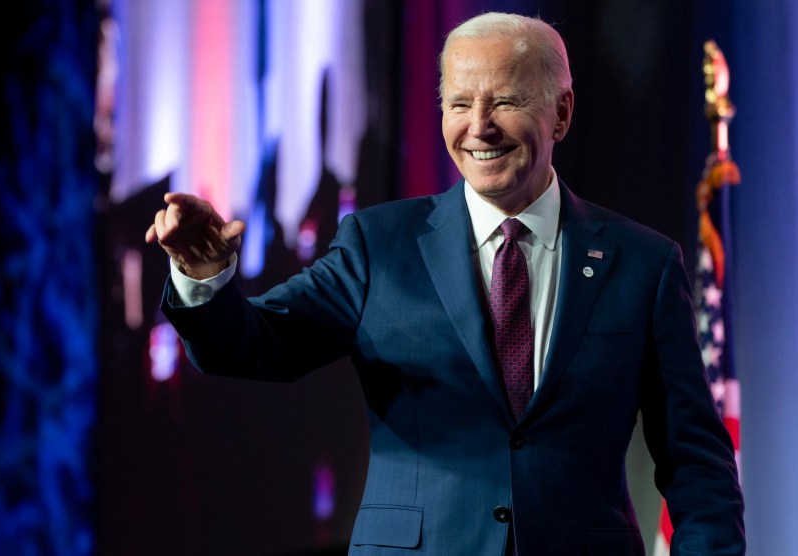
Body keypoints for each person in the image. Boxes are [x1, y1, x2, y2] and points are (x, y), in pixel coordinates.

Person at [144, 12, 745, 556]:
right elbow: (253, 343)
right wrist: (203, 277)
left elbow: (698, 464)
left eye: (505, 100)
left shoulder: (641, 263)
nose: (478, 127)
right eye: (458, 104)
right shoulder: (378, 246)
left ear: (561, 112)